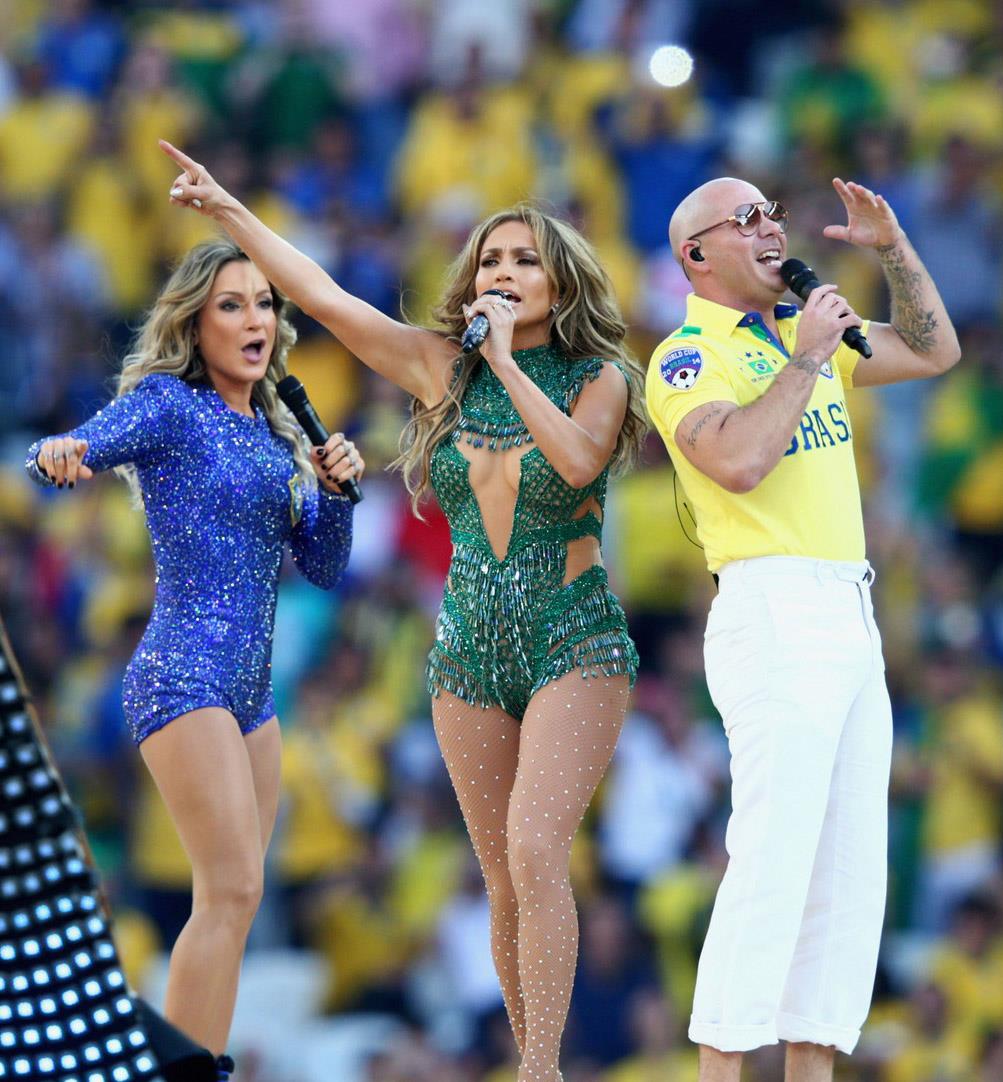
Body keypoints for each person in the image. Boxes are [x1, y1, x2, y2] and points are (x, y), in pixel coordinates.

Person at [161, 138, 644, 1082]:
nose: (502, 272)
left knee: (540, 851)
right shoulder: (440, 369)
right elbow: (324, 298)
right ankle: (525, 1058)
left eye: (523, 258)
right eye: (490, 259)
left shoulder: (601, 376)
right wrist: (227, 209)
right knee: (500, 876)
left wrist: (502, 362)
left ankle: (539, 1071)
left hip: (573, 637)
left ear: (562, 281)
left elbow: (580, 461)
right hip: (466, 646)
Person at [644, 177, 959, 1082]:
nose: (770, 226)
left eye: (771, 211)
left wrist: (892, 250)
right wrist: (806, 361)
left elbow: (935, 352)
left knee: (849, 871)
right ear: (695, 254)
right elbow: (738, 461)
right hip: (770, 603)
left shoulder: (799, 334)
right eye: (745, 219)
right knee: (773, 859)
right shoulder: (687, 356)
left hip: (846, 608)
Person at [25, 237, 363, 1080]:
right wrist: (55, 455)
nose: (255, 319)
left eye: (265, 303)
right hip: (183, 674)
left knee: (238, 901)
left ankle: (193, 1063)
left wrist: (332, 491)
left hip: (252, 696)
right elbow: (72, 443)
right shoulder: (171, 407)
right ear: (194, 322)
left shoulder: (281, 433)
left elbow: (322, 566)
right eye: (231, 305)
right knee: (229, 887)